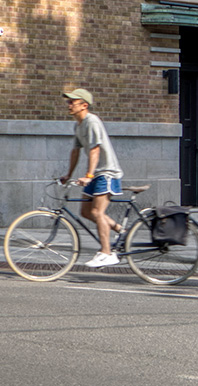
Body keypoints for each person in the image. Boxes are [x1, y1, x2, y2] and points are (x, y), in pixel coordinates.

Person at [59, 87, 124, 268]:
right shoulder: (78, 125)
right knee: (85, 212)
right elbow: (75, 151)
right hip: (96, 173)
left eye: (72, 102)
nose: (69, 105)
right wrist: (68, 174)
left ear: (84, 105)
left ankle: (107, 253)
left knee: (97, 212)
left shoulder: (92, 121)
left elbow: (95, 150)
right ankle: (121, 231)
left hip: (107, 172)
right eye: (68, 101)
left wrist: (88, 175)